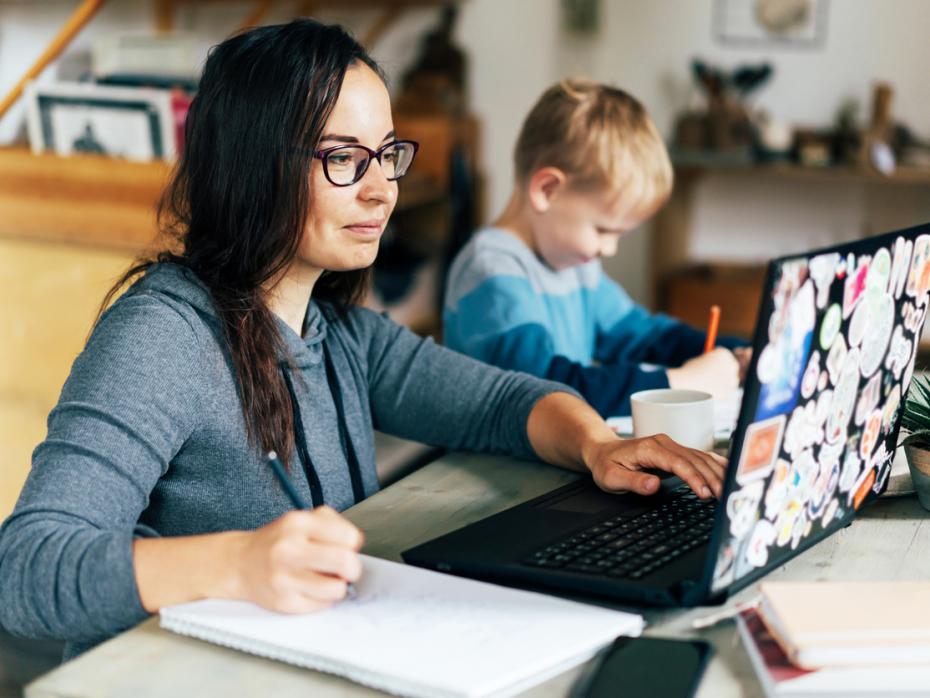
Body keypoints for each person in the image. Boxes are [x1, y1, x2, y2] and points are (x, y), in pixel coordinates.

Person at [0, 21, 726, 661]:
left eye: (386, 155)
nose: (383, 189)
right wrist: (237, 563)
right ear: (257, 166)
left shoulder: (340, 332)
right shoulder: (161, 336)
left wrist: (597, 444)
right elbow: (27, 570)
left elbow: (502, 402)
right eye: (344, 158)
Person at [443, 80, 751, 417]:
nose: (610, 249)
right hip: (487, 465)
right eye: (603, 229)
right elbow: (547, 390)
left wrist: (737, 352)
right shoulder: (492, 271)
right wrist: (676, 383)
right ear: (547, 190)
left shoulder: (574, 264)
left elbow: (643, 336)